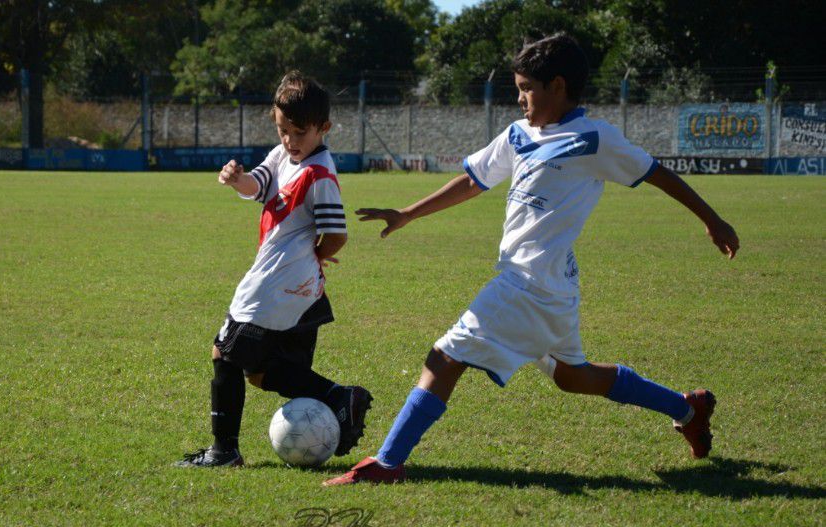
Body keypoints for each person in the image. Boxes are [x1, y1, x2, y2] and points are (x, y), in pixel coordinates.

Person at [323, 34, 739, 486]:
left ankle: (386, 464)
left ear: (557, 86)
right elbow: (473, 180)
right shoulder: (519, 135)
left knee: (444, 359)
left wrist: (712, 220)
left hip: (529, 283)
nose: (519, 98)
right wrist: (408, 213)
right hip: (550, 284)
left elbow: (658, 174)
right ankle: (686, 407)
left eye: (526, 88)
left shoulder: (594, 138)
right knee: (573, 377)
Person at [179, 71, 372, 467]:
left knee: (224, 354)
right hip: (298, 289)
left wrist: (312, 257)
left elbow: (337, 235)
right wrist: (237, 181)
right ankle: (339, 397)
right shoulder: (284, 156)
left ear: (324, 128)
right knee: (264, 373)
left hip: (274, 285)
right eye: (283, 130)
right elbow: (259, 187)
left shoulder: (319, 175)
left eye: (299, 132)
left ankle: (224, 452)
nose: (290, 140)